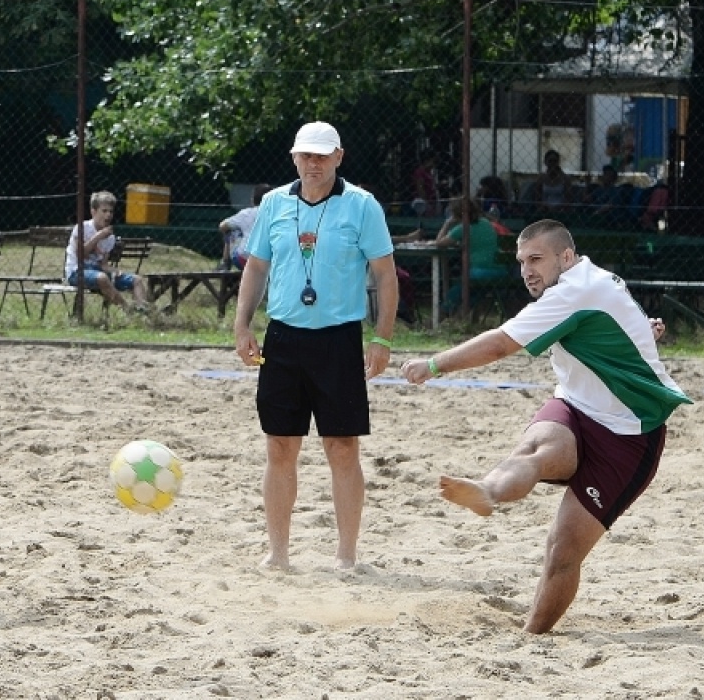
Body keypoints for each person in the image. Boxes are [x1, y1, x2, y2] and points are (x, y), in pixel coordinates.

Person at [400, 219, 690, 633]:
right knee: (538, 449)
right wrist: (646, 334)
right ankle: (488, 490)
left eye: (536, 259)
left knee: (563, 551)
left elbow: (502, 343)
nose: (526, 270)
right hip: (575, 406)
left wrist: (433, 364)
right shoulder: (592, 279)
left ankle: (532, 636)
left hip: (629, 435)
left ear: (566, 257)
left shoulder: (575, 290)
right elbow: (623, 324)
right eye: (521, 261)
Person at [233, 121, 398, 571]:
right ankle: (278, 554)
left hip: (340, 339)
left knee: (342, 448)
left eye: (323, 155)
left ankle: (346, 556)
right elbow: (256, 268)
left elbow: (385, 276)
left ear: (339, 157)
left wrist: (381, 338)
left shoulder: (362, 205)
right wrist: (242, 325)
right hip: (283, 337)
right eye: (306, 155)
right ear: (294, 158)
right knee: (280, 447)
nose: (314, 163)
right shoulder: (274, 204)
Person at [64, 190, 151, 311]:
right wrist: (99, 236)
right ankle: (128, 310)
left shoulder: (110, 238)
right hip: (76, 272)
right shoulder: (82, 228)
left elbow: (103, 264)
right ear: (93, 212)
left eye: (111, 211)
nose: (108, 215)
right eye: (104, 211)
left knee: (136, 280)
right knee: (102, 278)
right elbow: (81, 255)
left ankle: (143, 312)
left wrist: (114, 270)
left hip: (98, 271)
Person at [432, 196, 510, 314]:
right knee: (477, 290)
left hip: (480, 271)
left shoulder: (462, 228)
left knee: (459, 287)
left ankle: (443, 312)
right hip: (500, 269)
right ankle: (461, 314)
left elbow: (439, 243)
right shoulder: (486, 223)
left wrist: (447, 224)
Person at [218, 183, 273, 271]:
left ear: (253, 199)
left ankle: (225, 263)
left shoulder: (246, 213)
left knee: (231, 230)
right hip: (270, 263)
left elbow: (222, 226)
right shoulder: (277, 215)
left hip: (244, 260)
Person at [522, 149, 581, 217]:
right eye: (550, 161)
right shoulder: (541, 178)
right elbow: (537, 198)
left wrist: (560, 208)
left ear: (558, 162)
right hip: (544, 211)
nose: (552, 163)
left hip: (561, 211)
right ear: (546, 162)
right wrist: (543, 207)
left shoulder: (565, 179)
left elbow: (569, 199)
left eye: (555, 161)